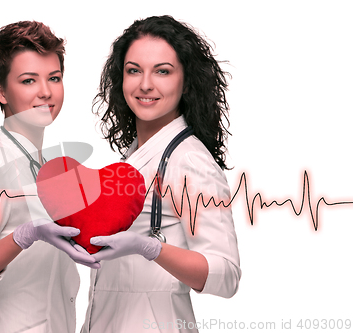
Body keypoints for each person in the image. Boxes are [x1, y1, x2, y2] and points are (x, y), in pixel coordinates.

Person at [82, 16, 241, 333]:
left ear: (186, 81)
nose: (145, 84)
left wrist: (150, 248)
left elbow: (226, 275)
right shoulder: (134, 156)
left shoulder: (190, 161)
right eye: (134, 70)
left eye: (163, 71)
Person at [0, 21, 99, 333]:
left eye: (54, 78)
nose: (45, 91)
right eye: (29, 80)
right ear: (1, 91)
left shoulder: (51, 168)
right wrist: (23, 236)